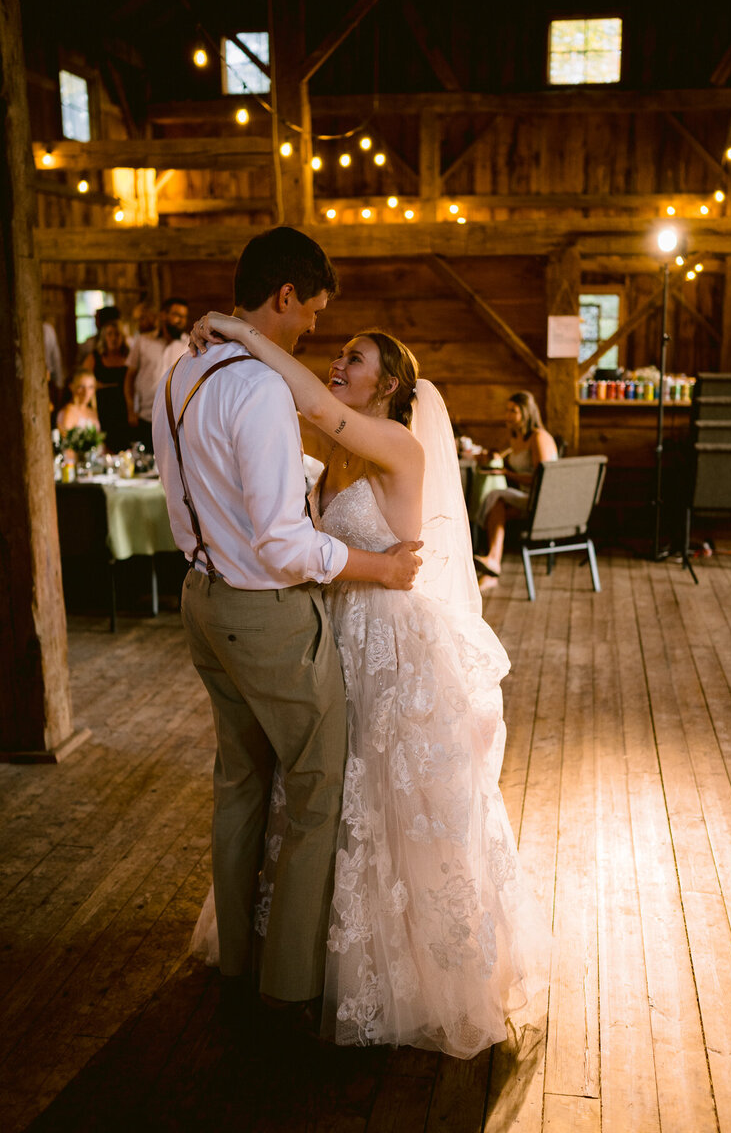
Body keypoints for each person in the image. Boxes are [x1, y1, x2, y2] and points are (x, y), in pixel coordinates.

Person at [188, 313, 549, 1058]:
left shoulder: (396, 442)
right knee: (327, 790)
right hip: (332, 625)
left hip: (388, 636)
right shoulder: (336, 444)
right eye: (338, 351)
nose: (336, 361)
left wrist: (240, 331)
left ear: (386, 384)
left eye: (354, 357)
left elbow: (314, 408)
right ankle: (308, 954)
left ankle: (403, 969)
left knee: (389, 793)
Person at [151, 228, 422, 1020]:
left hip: (200, 598)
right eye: (313, 314)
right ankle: (291, 984)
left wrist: (226, 328)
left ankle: (239, 959)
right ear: (286, 297)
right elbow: (282, 541)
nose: (314, 335)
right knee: (314, 789)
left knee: (239, 782)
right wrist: (377, 567)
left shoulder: (182, 365)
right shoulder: (261, 390)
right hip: (262, 612)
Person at [473, 391, 558, 590]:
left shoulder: (539, 438)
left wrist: (505, 473)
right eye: (507, 410)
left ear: (526, 413)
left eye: (514, 411)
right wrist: (491, 457)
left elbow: (543, 480)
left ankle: (490, 561)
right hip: (525, 498)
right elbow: (504, 456)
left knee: (495, 498)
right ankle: (492, 567)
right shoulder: (516, 437)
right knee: (497, 507)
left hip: (542, 500)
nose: (508, 415)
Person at [125, 296, 190, 452]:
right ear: (163, 315)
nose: (181, 320)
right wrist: (130, 409)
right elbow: (129, 377)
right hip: (145, 416)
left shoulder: (189, 345)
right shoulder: (143, 341)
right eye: (177, 315)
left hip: (176, 418)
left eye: (184, 317)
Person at [80, 308, 130, 451]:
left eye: (117, 334)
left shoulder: (128, 356)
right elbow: (83, 380)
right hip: (103, 407)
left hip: (123, 407)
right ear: (104, 337)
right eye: (109, 334)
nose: (113, 338)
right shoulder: (95, 358)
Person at [56, 370, 101, 436]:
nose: (86, 392)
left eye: (90, 387)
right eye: (81, 387)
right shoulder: (70, 410)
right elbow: (66, 441)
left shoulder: (92, 411)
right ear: (71, 387)